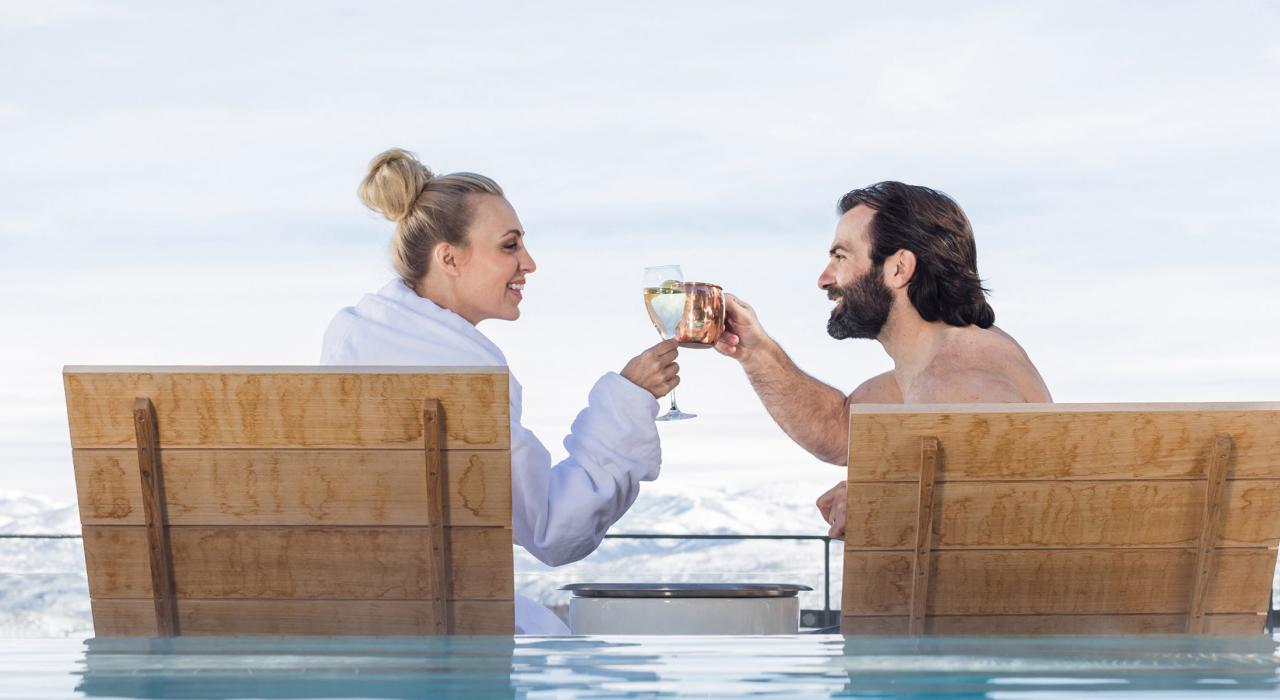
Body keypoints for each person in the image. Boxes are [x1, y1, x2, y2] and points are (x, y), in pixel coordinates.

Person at [322, 148, 680, 633]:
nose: (529, 263)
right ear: (449, 257)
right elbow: (554, 530)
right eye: (510, 246)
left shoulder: (348, 341)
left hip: (350, 622)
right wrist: (629, 399)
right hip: (449, 629)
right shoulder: (466, 371)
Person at [714, 181, 1052, 538]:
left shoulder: (957, 376)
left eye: (840, 257)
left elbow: (995, 517)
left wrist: (875, 501)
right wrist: (754, 350)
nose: (824, 278)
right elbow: (839, 427)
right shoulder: (934, 360)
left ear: (899, 268)